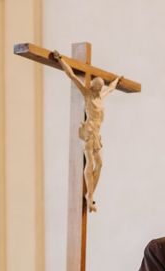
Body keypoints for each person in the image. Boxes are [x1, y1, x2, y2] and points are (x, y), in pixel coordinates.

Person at [52, 50, 122, 212]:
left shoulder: (100, 96)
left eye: (99, 88)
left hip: (97, 134)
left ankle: (91, 194)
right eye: (96, 87)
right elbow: (72, 76)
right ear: (93, 87)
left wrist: (117, 80)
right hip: (89, 133)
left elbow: (111, 88)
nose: (97, 89)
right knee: (90, 164)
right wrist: (60, 59)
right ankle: (89, 196)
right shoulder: (87, 95)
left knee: (100, 164)